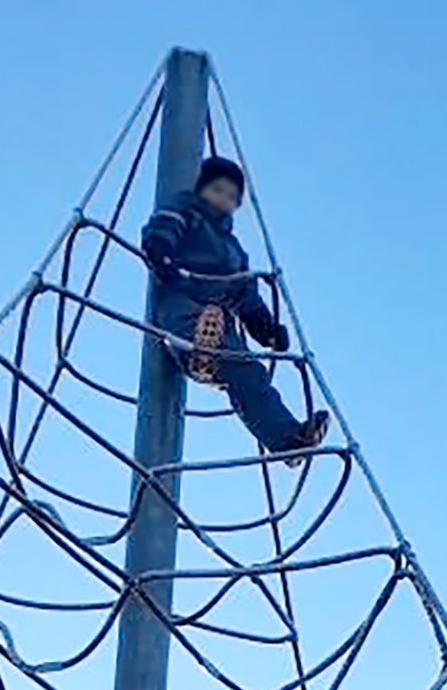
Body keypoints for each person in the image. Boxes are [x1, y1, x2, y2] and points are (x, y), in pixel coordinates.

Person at [141, 156, 330, 465]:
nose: (223, 199)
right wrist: (161, 251)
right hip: (183, 297)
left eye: (231, 196)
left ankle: (287, 440)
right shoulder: (186, 211)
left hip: (220, 317)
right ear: (202, 189)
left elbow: (246, 295)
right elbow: (164, 226)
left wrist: (266, 328)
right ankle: (198, 350)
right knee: (192, 323)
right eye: (217, 190)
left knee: (250, 374)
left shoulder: (234, 251)